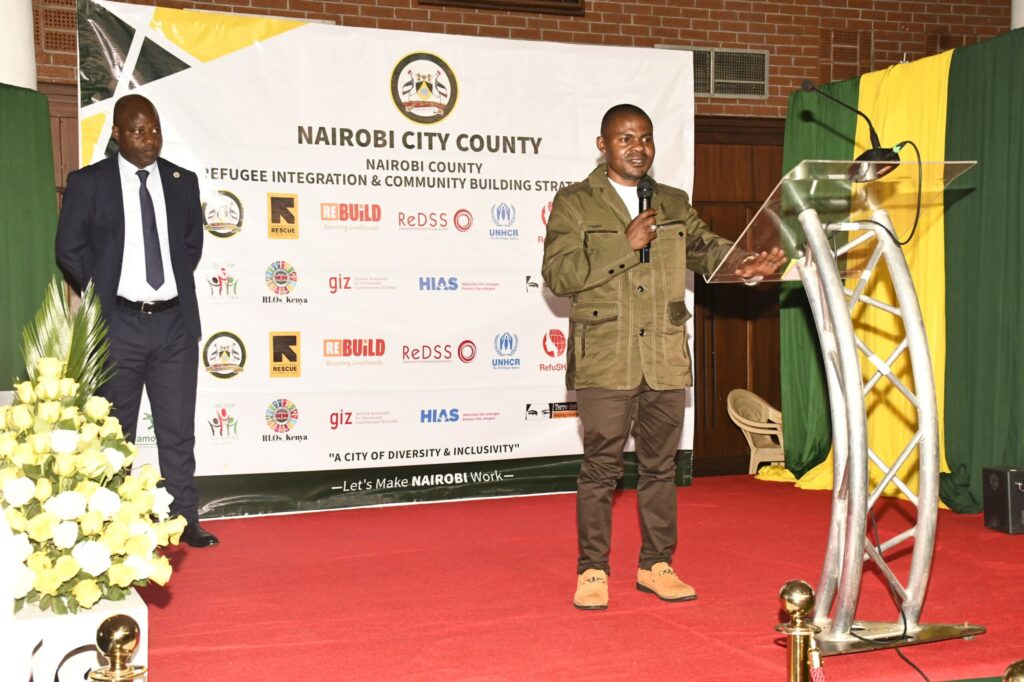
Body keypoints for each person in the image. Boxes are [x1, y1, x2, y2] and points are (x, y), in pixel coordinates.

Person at [541, 103, 783, 609]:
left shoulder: (671, 200)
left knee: (659, 467)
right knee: (601, 469)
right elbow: (559, 276)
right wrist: (625, 245)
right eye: (626, 138)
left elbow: (706, 248)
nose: (639, 148)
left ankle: (656, 564)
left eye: (646, 138)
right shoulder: (576, 202)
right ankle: (592, 569)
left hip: (665, 355)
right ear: (603, 145)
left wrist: (745, 263)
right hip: (606, 356)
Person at [55, 94, 217, 548]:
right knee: (115, 432)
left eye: (155, 130)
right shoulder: (90, 183)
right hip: (118, 324)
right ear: (117, 134)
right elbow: (68, 249)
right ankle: (113, 526)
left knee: (177, 431)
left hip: (174, 325)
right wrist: (103, 291)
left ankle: (184, 519)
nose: (149, 139)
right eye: (138, 131)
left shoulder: (182, 182)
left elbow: (190, 247)